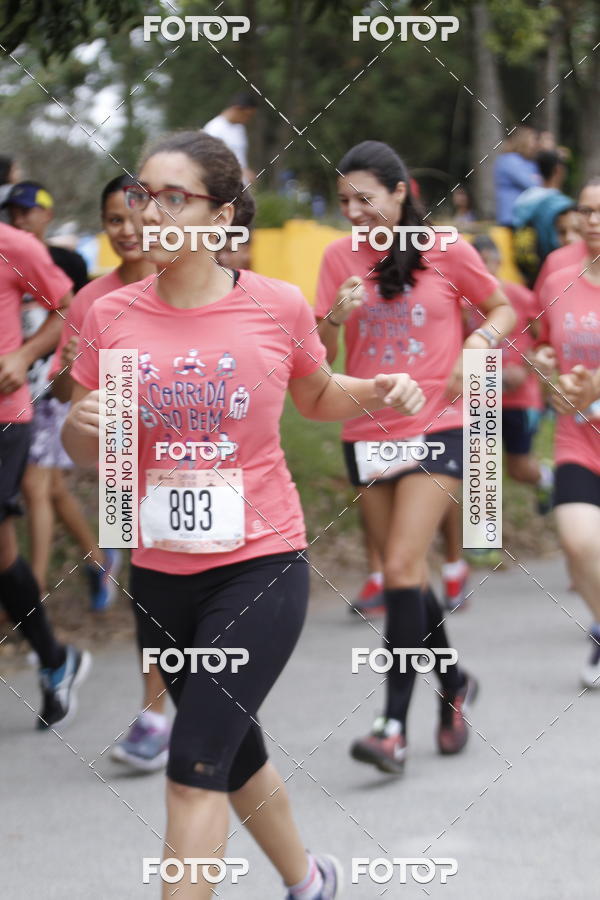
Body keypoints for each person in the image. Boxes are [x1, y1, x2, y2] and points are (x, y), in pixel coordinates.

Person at [62, 130, 424, 899]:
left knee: (192, 770)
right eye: (139, 195)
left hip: (260, 566)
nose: (147, 214)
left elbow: (316, 395)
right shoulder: (111, 317)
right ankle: (310, 880)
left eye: (171, 197)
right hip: (160, 574)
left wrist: (378, 385)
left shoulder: (277, 305)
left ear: (221, 213)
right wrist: (77, 430)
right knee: (233, 750)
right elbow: (98, 449)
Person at [315, 140, 515, 774]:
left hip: (440, 423)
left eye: (366, 199)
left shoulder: (449, 250)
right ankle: (452, 680)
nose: (355, 211)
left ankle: (390, 728)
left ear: (401, 194)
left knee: (400, 566)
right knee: (405, 579)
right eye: (345, 200)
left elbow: (504, 308)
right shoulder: (335, 256)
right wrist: (333, 318)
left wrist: (473, 348)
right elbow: (316, 356)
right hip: (366, 432)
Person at [50, 173, 169, 772]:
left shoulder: (190, 284)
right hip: (125, 469)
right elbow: (70, 394)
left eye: (137, 216)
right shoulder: (92, 301)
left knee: (203, 592)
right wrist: (70, 370)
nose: (128, 231)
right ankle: (155, 715)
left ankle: (210, 699)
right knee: (149, 595)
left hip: (198, 463)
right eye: (114, 220)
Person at [3, 180, 118, 607]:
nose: (20, 218)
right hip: (20, 391)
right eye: (14, 211)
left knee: (37, 487)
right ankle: (98, 558)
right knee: (48, 489)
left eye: (29, 210)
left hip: (51, 390)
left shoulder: (64, 261)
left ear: (47, 215)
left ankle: (31, 593)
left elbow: (75, 315)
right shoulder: (6, 256)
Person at [0, 221, 91, 729]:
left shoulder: (13, 245)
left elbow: (66, 305)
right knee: (3, 555)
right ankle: (56, 659)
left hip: (4, 416)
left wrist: (25, 353)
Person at [533, 177, 600, 688]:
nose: (592, 220)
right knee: (578, 547)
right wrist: (548, 365)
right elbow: (543, 347)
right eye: (585, 211)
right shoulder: (558, 280)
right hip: (579, 434)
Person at [472, 235, 553, 513]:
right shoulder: (464, 303)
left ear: (499, 262)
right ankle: (483, 537)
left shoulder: (521, 297)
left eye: (488, 262)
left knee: (518, 468)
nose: (484, 269)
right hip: (481, 398)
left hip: (520, 399)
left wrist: (526, 368)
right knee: (479, 468)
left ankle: (546, 479)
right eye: (477, 264)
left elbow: (544, 339)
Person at [512, 150, 576, 284]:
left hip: (526, 273)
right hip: (553, 274)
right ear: (558, 170)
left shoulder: (523, 199)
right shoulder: (560, 204)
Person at [203, 92, 258, 184]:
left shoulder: (239, 128)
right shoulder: (214, 129)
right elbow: (210, 161)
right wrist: (239, 170)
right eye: (247, 115)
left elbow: (240, 157)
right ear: (236, 109)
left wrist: (245, 171)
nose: (248, 119)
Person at [494, 126, 540, 227]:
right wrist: (536, 179)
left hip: (525, 217)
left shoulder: (529, 163)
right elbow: (531, 184)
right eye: (532, 141)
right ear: (522, 141)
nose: (535, 145)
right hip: (512, 217)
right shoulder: (509, 160)